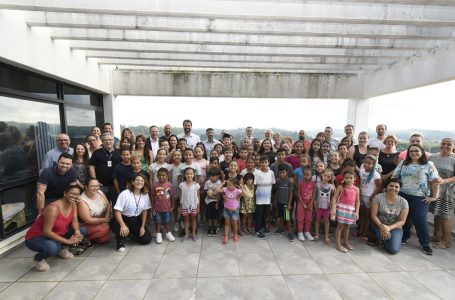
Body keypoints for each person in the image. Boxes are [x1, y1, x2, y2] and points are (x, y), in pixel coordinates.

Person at [25, 185, 87, 272]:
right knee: (52, 248)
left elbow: (75, 220)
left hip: (56, 233)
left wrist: (77, 232)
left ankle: (59, 248)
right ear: (65, 194)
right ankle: (38, 258)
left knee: (82, 230)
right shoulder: (53, 208)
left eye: (77, 194)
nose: (74, 196)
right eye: (72, 193)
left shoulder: (73, 204)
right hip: (36, 237)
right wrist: (68, 241)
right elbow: (47, 232)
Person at [393, 144, 440, 255]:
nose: (414, 153)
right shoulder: (404, 163)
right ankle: (404, 237)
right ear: (408, 153)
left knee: (420, 221)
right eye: (411, 151)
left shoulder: (429, 165)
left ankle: (425, 244)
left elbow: (436, 181)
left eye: (416, 151)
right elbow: (395, 177)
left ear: (422, 152)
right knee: (405, 219)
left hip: (420, 198)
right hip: (403, 195)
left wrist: (434, 197)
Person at [110, 174, 152, 251]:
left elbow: (145, 211)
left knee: (146, 240)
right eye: (137, 180)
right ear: (132, 182)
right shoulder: (125, 193)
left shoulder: (145, 195)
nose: (140, 182)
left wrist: (142, 226)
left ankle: (131, 233)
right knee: (121, 228)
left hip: (135, 219)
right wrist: (122, 225)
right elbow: (117, 211)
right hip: (123, 218)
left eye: (142, 181)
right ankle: (120, 241)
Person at [370, 178, 409, 254]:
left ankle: (385, 241)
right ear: (386, 187)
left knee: (393, 250)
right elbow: (373, 215)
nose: (393, 188)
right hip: (379, 224)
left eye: (396, 187)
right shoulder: (378, 197)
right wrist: (383, 227)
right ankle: (379, 237)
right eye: (391, 186)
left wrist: (389, 228)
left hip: (395, 227)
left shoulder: (404, 202)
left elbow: (402, 221)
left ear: (400, 189)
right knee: (382, 236)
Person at [429, 138, 455, 249]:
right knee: (437, 213)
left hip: (447, 192)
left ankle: (446, 242)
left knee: (445, 215)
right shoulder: (433, 157)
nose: (445, 146)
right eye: (443, 143)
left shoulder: (453, 160)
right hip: (433, 189)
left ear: (453, 147)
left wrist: (444, 181)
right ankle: (436, 236)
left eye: (449, 144)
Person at [331, 170, 360, 253]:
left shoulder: (356, 189)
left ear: (354, 178)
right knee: (340, 226)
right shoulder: (341, 187)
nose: (349, 179)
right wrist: (333, 209)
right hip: (341, 209)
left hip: (350, 210)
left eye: (351, 178)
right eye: (347, 177)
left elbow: (357, 201)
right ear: (343, 178)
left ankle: (346, 242)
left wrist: (357, 211)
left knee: (347, 226)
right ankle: (338, 244)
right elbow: (335, 198)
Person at [89, 132, 121, 203]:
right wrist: (95, 181)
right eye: (105, 140)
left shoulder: (119, 152)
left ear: (113, 141)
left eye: (110, 139)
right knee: (103, 205)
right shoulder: (96, 153)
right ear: (102, 141)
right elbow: (91, 167)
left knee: (116, 205)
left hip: (115, 185)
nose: (108, 141)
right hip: (101, 185)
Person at [78, 178, 111, 244]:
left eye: (97, 186)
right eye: (92, 186)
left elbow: (108, 205)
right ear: (86, 187)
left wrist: (106, 218)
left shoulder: (100, 192)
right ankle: (84, 239)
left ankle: (87, 239)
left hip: (99, 221)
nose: (95, 188)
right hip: (86, 225)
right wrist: (104, 220)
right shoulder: (82, 200)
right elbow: (88, 220)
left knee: (105, 239)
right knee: (105, 229)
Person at [358, 155, 382, 240]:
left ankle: (364, 233)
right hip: (363, 196)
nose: (367, 165)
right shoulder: (362, 171)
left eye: (369, 163)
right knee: (363, 215)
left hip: (369, 197)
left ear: (373, 165)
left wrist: (372, 197)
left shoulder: (376, 174)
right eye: (365, 162)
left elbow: (379, 187)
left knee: (368, 216)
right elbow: (361, 183)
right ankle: (360, 231)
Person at [151, 168, 176, 243]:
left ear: (167, 175)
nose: (161, 177)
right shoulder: (155, 186)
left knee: (167, 221)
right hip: (157, 209)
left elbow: (172, 197)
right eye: (159, 175)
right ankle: (158, 234)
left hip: (167, 209)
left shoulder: (170, 185)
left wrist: (173, 206)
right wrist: (153, 208)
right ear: (157, 176)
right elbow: (152, 197)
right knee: (158, 222)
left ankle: (168, 233)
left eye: (163, 175)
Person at [254, 155, 276, 239]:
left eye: (265, 162)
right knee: (258, 214)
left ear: (268, 163)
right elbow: (255, 185)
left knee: (265, 214)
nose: (264, 164)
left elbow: (273, 184)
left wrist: (272, 198)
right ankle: (257, 230)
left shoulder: (271, 172)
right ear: (260, 163)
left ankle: (263, 227)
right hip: (259, 197)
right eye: (262, 162)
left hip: (268, 197)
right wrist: (254, 197)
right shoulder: (257, 173)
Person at [217, 178, 243, 244]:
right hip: (226, 209)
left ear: (235, 185)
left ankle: (235, 234)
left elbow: (245, 195)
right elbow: (217, 190)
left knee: (234, 223)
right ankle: (226, 236)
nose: (227, 186)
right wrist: (222, 184)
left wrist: (242, 188)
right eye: (227, 184)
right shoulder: (225, 189)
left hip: (235, 210)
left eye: (229, 185)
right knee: (226, 223)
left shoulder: (238, 190)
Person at [179, 167, 200, 241]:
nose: (189, 175)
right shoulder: (182, 184)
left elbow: (198, 196)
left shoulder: (196, 185)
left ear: (194, 175)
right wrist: (181, 206)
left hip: (194, 205)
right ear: (184, 175)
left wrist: (198, 207)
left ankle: (193, 234)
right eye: (187, 174)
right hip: (185, 205)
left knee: (194, 219)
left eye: (191, 174)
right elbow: (181, 195)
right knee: (186, 219)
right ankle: (186, 234)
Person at [314, 169, 335, 243]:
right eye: (325, 175)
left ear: (331, 178)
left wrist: (331, 204)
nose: (326, 177)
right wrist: (314, 203)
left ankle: (326, 236)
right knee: (317, 220)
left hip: (327, 207)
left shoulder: (331, 186)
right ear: (322, 175)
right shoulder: (317, 184)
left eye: (328, 176)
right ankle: (317, 233)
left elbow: (333, 197)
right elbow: (315, 195)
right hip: (319, 206)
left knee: (326, 221)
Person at [274, 164, 294, 241]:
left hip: (286, 203)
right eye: (280, 173)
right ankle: (281, 228)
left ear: (287, 172)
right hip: (279, 201)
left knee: (287, 217)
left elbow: (291, 193)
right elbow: (277, 191)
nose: (282, 174)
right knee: (281, 216)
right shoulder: (278, 181)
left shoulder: (289, 181)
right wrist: (275, 201)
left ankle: (290, 231)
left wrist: (289, 203)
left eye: (283, 172)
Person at [297, 167, 316, 241]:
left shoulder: (313, 184)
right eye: (304, 175)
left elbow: (314, 195)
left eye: (308, 175)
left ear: (311, 175)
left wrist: (311, 204)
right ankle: (300, 232)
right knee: (300, 219)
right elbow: (298, 193)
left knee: (308, 219)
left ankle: (307, 232)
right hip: (301, 203)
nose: (306, 176)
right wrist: (302, 203)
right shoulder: (301, 182)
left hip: (309, 204)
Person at [204, 168, 222, 236]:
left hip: (216, 202)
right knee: (209, 216)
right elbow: (205, 190)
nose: (212, 177)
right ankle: (209, 228)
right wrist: (208, 193)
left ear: (217, 176)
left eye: (214, 176)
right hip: (208, 202)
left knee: (215, 217)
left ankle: (215, 228)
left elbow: (220, 194)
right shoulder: (207, 182)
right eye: (210, 176)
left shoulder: (219, 182)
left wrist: (217, 203)